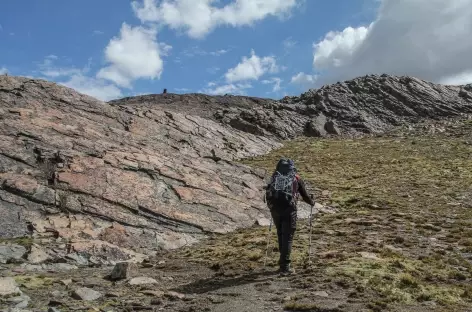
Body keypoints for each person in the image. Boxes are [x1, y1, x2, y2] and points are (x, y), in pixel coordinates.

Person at [265, 158, 314, 275]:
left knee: (281, 233)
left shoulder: (274, 177)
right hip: (289, 210)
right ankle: (285, 267)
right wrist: (312, 202)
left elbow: (268, 192)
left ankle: (282, 263)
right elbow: (305, 196)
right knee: (288, 237)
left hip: (275, 210)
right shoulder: (296, 178)